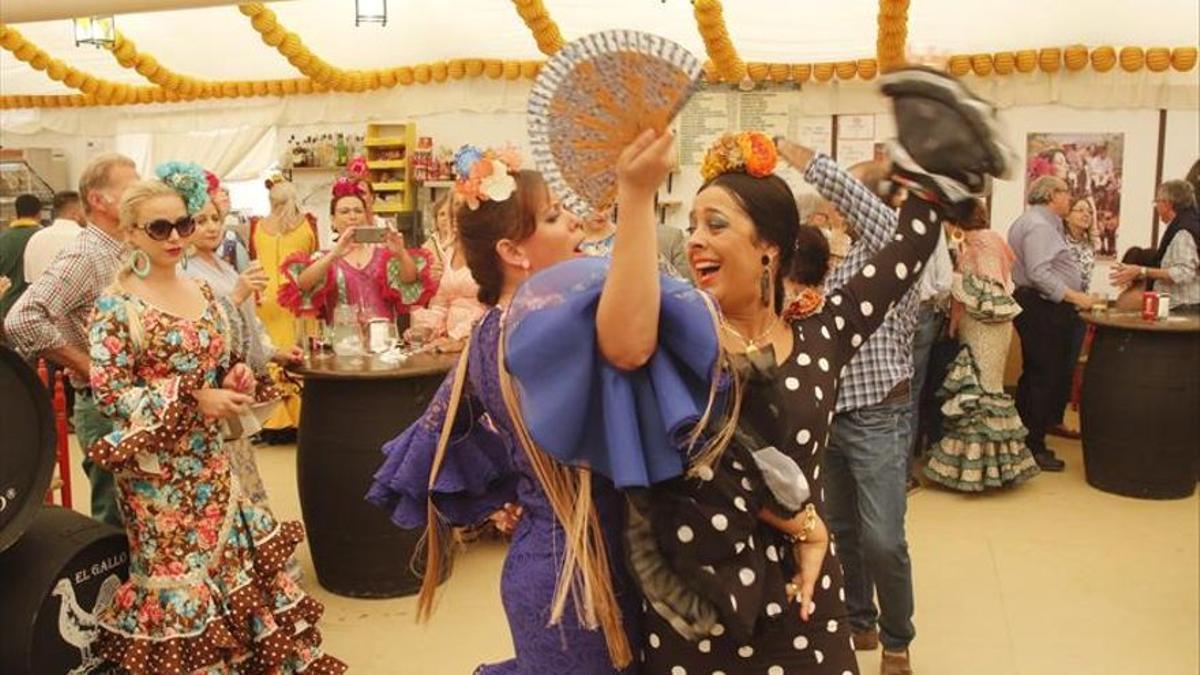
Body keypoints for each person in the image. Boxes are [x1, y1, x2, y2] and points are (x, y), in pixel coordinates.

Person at [367, 146, 648, 673]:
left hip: (564, 567)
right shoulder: (552, 332)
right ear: (513, 252)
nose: (574, 225)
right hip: (576, 586)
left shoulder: (487, 335)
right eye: (554, 217)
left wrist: (517, 489)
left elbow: (431, 438)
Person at [85, 173, 343, 674]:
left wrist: (237, 376)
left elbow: (222, 367)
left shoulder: (204, 290)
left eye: (182, 223)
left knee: (232, 569)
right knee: (181, 584)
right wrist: (191, 397)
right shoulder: (117, 308)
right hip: (157, 481)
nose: (175, 237)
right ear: (131, 233)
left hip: (216, 466)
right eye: (159, 228)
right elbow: (111, 397)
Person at [4, 153, 139, 527]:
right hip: (104, 406)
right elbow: (22, 318)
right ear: (98, 200)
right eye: (131, 188)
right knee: (117, 518)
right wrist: (89, 366)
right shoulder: (87, 254)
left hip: (127, 400)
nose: (140, 195)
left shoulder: (121, 250)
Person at [183, 192, 304, 515]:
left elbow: (248, 324)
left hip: (235, 385)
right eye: (199, 221)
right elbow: (196, 329)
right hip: (210, 389)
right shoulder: (185, 271)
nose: (211, 228)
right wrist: (236, 295)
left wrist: (275, 353)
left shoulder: (222, 264)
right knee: (224, 483)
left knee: (243, 472)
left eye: (215, 219)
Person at [924, 201, 1040, 491]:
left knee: (979, 389)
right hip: (988, 325)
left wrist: (947, 278)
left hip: (983, 325)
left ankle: (977, 471)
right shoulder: (990, 239)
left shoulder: (982, 242)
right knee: (983, 388)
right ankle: (992, 466)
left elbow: (987, 289)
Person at [1009, 175, 1099, 473]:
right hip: (1043, 306)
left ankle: (1023, 438)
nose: (1069, 198)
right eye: (1065, 192)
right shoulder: (1039, 225)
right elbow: (1039, 273)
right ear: (1051, 195)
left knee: (1035, 374)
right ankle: (1034, 446)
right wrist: (1076, 297)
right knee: (1044, 376)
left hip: (1037, 305)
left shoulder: (1035, 221)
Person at [278, 179, 435, 328]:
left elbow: (410, 280)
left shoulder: (384, 254)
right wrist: (334, 254)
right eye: (344, 212)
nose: (352, 216)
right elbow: (303, 284)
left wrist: (401, 253)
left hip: (383, 342)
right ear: (333, 219)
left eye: (358, 211)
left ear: (367, 216)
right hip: (342, 343)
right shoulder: (324, 258)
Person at [249, 175, 318, 442]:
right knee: (296, 352)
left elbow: (253, 259)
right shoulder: (308, 223)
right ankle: (299, 418)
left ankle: (272, 419)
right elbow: (316, 256)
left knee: (273, 351)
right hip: (298, 297)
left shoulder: (258, 225)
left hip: (264, 297)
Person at [408, 195, 486, 352]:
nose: (458, 212)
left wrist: (457, 338)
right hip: (449, 345)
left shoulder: (490, 252)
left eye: (466, 204)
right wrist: (427, 328)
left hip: (478, 342)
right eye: (456, 205)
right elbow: (442, 304)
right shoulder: (450, 251)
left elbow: (491, 307)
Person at [1050, 197, 1099, 439]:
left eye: (1089, 211)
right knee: (1052, 364)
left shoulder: (1090, 244)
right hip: (1058, 306)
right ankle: (1042, 418)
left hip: (1081, 310)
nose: (1085, 214)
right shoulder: (1058, 241)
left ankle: (1057, 419)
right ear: (1067, 215)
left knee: (1069, 366)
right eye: (1080, 210)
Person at [1110, 180, 1199, 311]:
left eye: (1157, 202)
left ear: (1167, 204)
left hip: (1183, 307)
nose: (1156, 207)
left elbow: (1183, 273)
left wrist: (1143, 271)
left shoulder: (1183, 232)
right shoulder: (1188, 224)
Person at [24, 191, 86, 283]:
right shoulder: (85, 239)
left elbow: (29, 280)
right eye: (86, 210)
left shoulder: (35, 239)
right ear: (75, 213)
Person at [0, 193, 43, 322]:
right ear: (39, 213)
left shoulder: (3, 239)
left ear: (16, 212)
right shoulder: (44, 236)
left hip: (7, 308)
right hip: (35, 309)